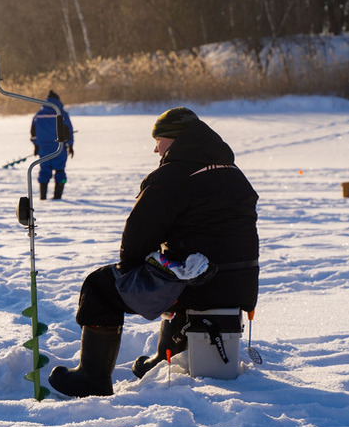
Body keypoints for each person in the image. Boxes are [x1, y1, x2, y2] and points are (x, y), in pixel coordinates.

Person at [47, 107, 259, 397]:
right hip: (240, 285)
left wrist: (132, 273)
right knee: (175, 271)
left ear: (176, 139)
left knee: (100, 286)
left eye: (159, 140)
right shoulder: (235, 174)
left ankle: (91, 379)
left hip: (198, 286)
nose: (155, 148)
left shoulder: (171, 176)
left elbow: (136, 241)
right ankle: (163, 359)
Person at [31, 90, 74, 200]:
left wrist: (36, 146)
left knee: (44, 171)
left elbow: (33, 132)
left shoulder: (38, 115)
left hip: (43, 148)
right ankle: (58, 197)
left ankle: (43, 196)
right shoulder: (61, 113)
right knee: (60, 171)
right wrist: (70, 145)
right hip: (59, 148)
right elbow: (68, 130)